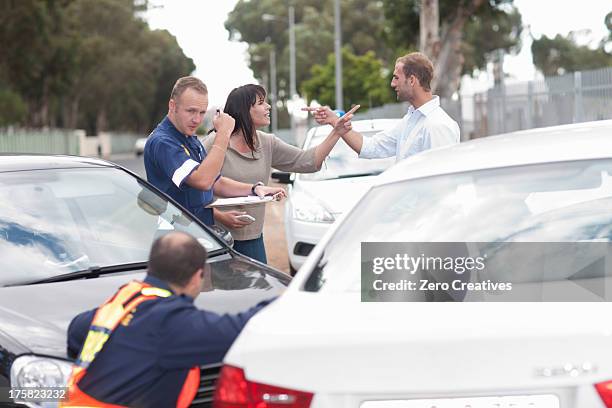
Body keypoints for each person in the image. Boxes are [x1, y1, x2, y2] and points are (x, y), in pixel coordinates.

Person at [62, 231, 275, 408]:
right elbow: (241, 329)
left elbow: (76, 331)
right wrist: (292, 299)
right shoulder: (168, 323)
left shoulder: (124, 301)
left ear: (151, 267)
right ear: (197, 276)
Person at [203, 84, 357, 263]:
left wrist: (336, 131)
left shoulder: (268, 142)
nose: (268, 106)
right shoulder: (215, 142)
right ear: (245, 110)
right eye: (261, 103)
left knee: (259, 290)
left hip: (253, 241)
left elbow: (308, 161)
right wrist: (219, 216)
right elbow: (194, 188)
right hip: (215, 239)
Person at [144, 76, 284, 226]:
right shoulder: (163, 142)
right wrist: (223, 133)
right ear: (172, 106)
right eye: (191, 111)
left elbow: (216, 182)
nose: (197, 120)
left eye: (202, 112)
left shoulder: (187, 136)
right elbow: (203, 181)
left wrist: (255, 188)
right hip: (175, 237)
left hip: (197, 232)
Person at [304, 52, 460, 162]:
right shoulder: (410, 120)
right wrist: (334, 120)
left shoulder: (438, 126)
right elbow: (372, 147)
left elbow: (441, 183)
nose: (392, 84)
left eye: (396, 77)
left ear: (412, 80)